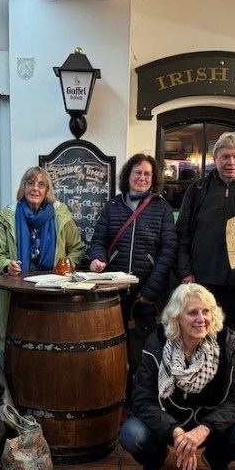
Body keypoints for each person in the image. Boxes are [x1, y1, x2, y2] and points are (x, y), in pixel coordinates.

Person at [119, 283, 235, 470]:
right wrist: (175, 432)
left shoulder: (226, 343)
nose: (201, 319)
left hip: (212, 427)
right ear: (177, 317)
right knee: (132, 435)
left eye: (206, 312)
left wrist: (205, 429)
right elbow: (142, 399)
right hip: (168, 426)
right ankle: (155, 459)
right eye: (192, 313)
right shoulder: (158, 343)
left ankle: (216, 459)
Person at [87, 154, 176, 382]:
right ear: (128, 175)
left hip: (147, 295)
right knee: (113, 349)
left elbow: (168, 252)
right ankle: (118, 393)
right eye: (137, 172)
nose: (142, 177)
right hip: (114, 292)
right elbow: (98, 241)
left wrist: (149, 291)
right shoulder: (113, 206)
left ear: (154, 178)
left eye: (147, 174)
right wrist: (97, 259)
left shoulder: (162, 208)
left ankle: (143, 394)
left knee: (144, 351)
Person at [175, 132, 235, 341]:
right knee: (198, 334)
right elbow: (182, 234)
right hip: (200, 279)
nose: (231, 162)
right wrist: (185, 272)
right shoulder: (197, 189)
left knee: (230, 338)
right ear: (215, 158)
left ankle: (228, 364)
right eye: (225, 156)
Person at [0, 166, 86, 348]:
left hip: (54, 292)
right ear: (23, 187)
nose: (35, 188)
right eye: (31, 183)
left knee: (52, 342)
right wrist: (8, 265)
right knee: (20, 344)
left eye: (41, 185)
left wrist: (67, 265)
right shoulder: (9, 216)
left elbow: (77, 249)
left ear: (47, 190)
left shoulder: (60, 215)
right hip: (19, 293)